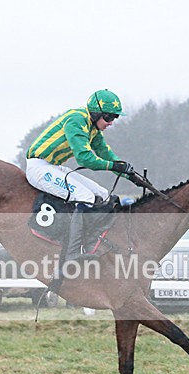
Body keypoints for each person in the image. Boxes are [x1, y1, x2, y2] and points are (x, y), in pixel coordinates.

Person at [25, 89, 143, 262]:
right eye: (109, 117)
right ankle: (72, 252)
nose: (111, 122)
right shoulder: (76, 120)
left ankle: (93, 242)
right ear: (96, 113)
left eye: (115, 118)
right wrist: (114, 166)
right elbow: (85, 158)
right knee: (85, 196)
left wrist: (131, 175)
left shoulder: (93, 128)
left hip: (55, 167)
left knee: (103, 194)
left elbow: (105, 153)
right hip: (39, 168)